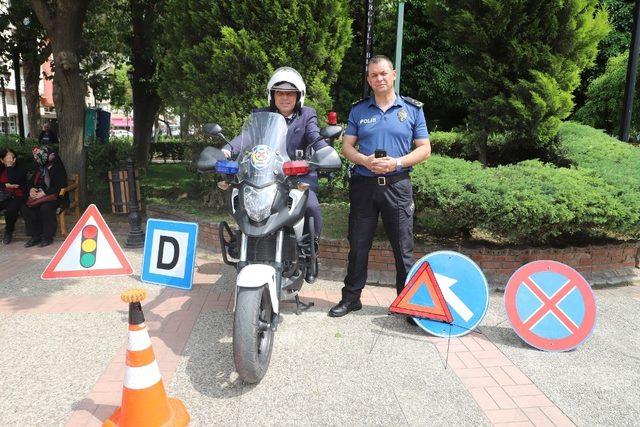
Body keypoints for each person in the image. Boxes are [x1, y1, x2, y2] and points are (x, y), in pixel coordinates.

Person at [329, 55, 431, 318]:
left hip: (397, 186)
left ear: (393, 74)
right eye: (374, 75)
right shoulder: (359, 110)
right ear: (369, 80)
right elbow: (347, 146)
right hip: (364, 185)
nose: (379, 78)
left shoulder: (412, 109)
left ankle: (407, 303)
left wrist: (396, 163)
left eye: (384, 73)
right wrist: (364, 160)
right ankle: (351, 299)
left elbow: (425, 149)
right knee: (358, 245)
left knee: (403, 249)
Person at [222, 67, 328, 240]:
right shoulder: (261, 115)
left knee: (311, 206)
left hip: (298, 177)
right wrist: (227, 150)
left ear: (299, 96)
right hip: (266, 176)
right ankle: (242, 241)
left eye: (290, 94)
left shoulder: (307, 115)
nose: (285, 98)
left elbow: (314, 135)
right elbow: (247, 136)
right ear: (272, 96)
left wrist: (325, 151)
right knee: (242, 203)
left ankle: (310, 247)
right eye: (280, 93)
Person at [22, 145, 68, 247]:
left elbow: (60, 187)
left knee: (45, 208)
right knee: (26, 208)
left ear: (52, 156)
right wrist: (31, 189)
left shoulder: (58, 168)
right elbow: (30, 182)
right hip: (39, 196)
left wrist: (44, 193)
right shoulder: (40, 168)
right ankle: (35, 236)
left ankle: (48, 237)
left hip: (55, 196)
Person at [0, 148, 27, 244]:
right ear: (2, 160)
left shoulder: (20, 169)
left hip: (17, 195)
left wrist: (9, 167)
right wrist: (5, 185)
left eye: (12, 156)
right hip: (2, 195)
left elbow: (13, 180)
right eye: (7, 157)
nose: (10, 159)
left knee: (11, 210)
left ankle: (8, 231)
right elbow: (7, 184)